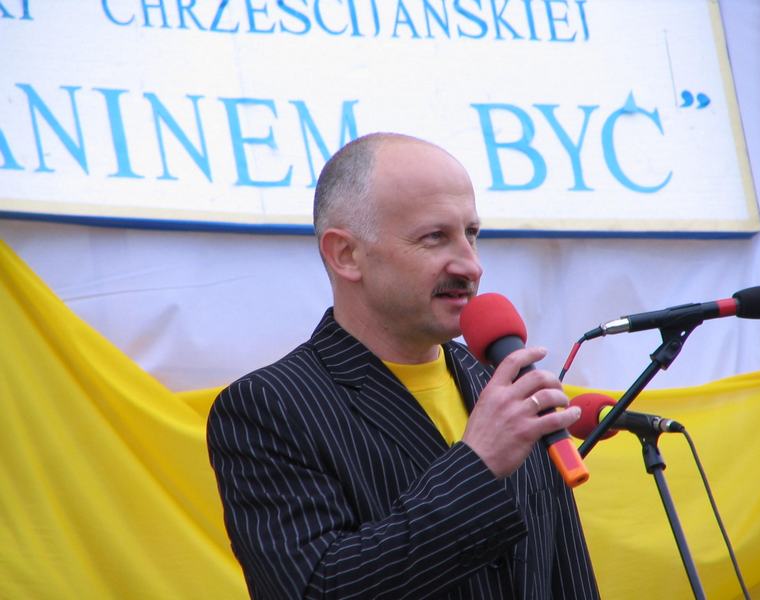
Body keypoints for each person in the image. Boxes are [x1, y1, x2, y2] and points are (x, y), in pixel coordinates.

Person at [207, 133, 599, 599]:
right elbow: (316, 588)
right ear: (346, 254)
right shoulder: (269, 407)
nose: (471, 265)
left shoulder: (504, 387)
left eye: (472, 234)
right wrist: (476, 466)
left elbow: (567, 577)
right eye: (435, 237)